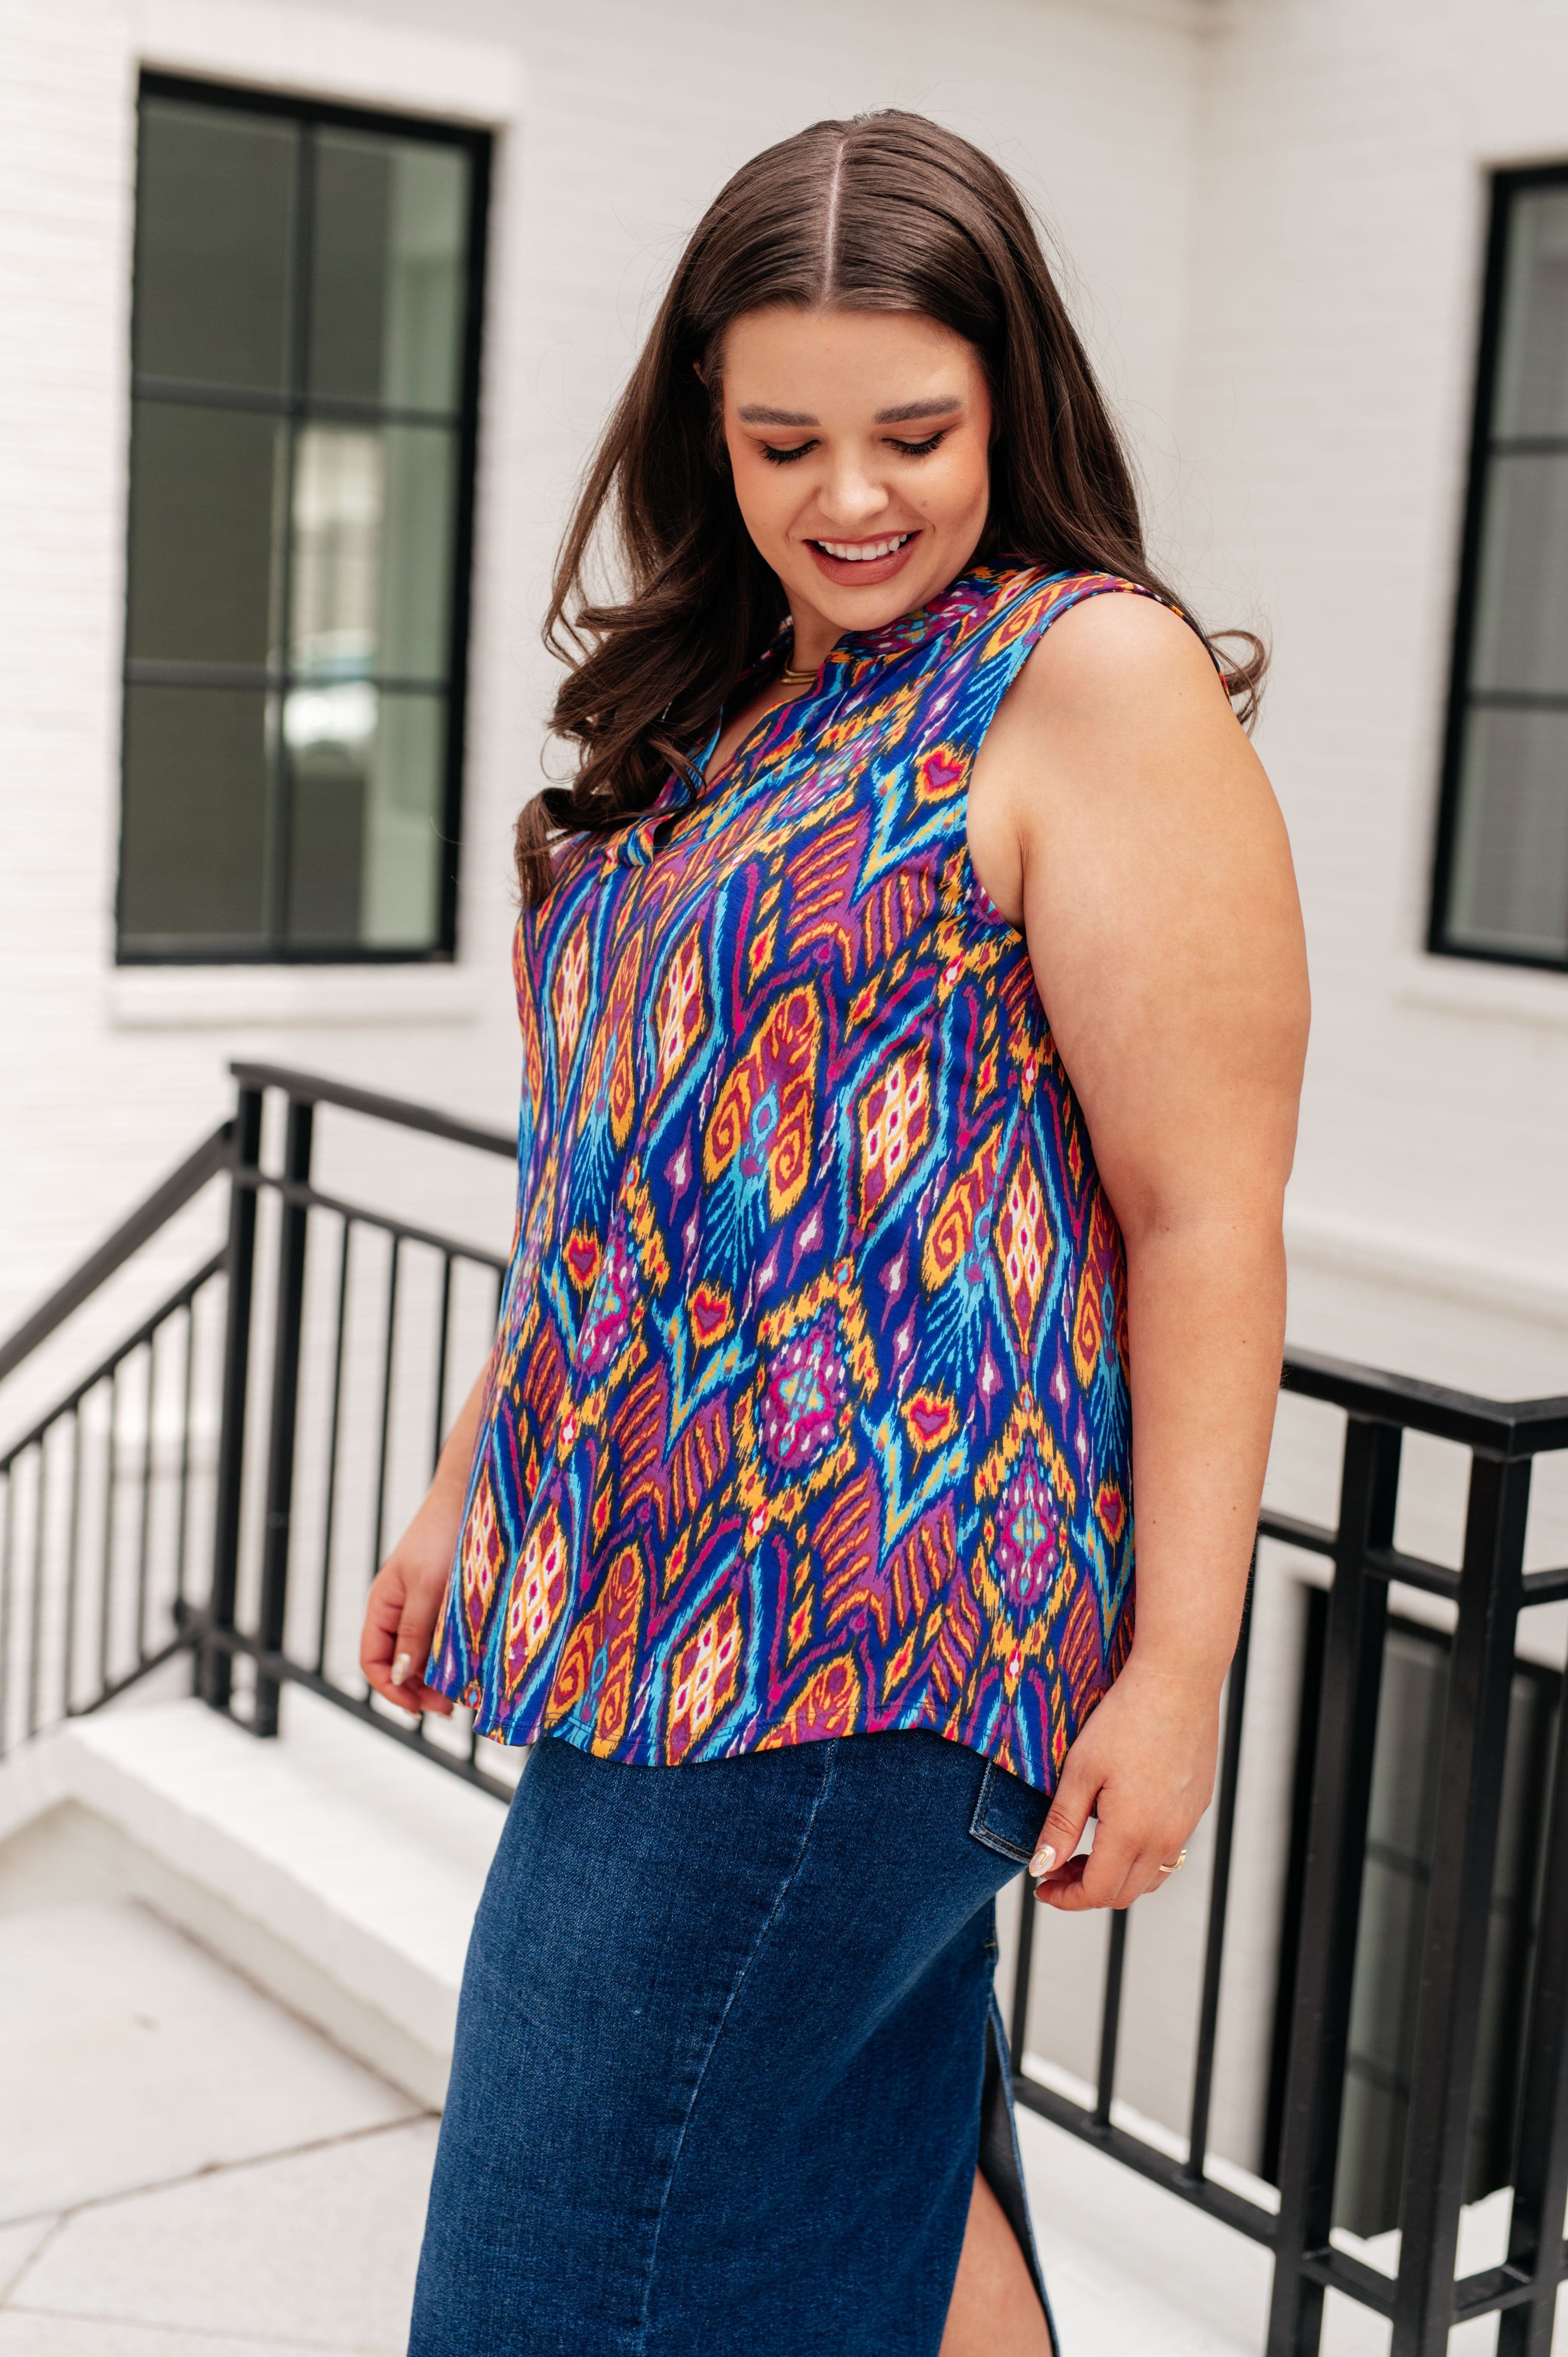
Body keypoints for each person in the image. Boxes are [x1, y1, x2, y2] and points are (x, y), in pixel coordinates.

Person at [361, 108, 1309, 2357]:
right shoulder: (724, 708)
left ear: (1013, 403)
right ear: (709, 421)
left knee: (553, 2287)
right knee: (874, 2193)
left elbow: (1202, 1219)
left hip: (862, 1625)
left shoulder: (1081, 677)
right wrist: (462, 1490)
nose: (849, 494)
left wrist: (1180, 1674)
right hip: (645, 1612)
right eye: (785, 437)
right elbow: (624, 1167)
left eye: (914, 431)